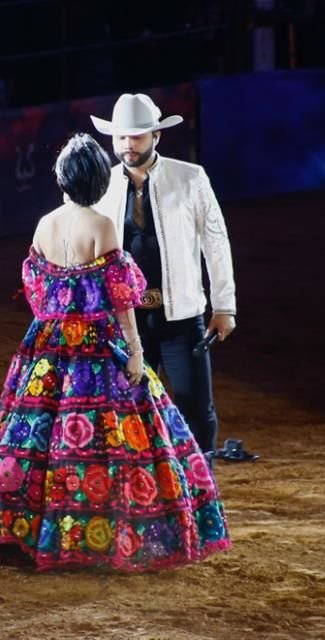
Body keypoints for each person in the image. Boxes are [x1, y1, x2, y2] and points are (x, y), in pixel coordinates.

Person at [0, 133, 230, 571]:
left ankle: (24, 529)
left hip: (46, 343)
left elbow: (39, 294)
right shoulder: (103, 226)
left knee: (33, 438)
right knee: (113, 439)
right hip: (95, 343)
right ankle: (101, 532)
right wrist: (135, 350)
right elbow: (121, 299)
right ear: (98, 181)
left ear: (62, 179)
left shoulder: (44, 224)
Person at [90, 93, 237, 457]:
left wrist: (224, 307)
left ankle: (201, 485)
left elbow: (215, 241)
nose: (128, 144)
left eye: (137, 136)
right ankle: (137, 489)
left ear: (157, 135)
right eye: (121, 137)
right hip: (125, 321)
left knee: (195, 410)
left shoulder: (190, 178)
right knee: (126, 413)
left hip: (181, 318)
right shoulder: (101, 186)